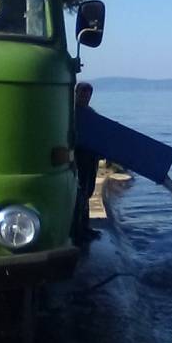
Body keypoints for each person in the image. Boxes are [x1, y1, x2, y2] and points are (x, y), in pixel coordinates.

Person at [73, 82, 101, 242]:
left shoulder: (90, 113)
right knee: (79, 194)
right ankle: (78, 229)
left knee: (87, 192)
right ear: (76, 93)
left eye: (88, 94)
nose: (85, 97)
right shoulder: (71, 113)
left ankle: (85, 226)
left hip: (90, 159)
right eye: (82, 94)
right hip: (77, 159)